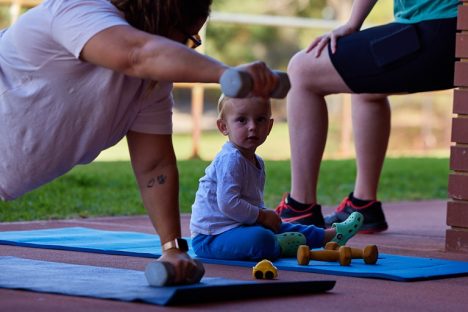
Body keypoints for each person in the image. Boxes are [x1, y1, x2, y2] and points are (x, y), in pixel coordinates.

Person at [0, 0, 281, 284]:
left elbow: (154, 167)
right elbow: (138, 53)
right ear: (164, 21)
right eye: (188, 39)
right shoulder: (77, 10)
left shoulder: (152, 85)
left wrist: (172, 249)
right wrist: (227, 75)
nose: (187, 49)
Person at [275, 0, 459, 233]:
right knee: (365, 86)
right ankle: (363, 205)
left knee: (302, 69)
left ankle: (299, 207)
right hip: (442, 31)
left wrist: (353, 23)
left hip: (439, 29)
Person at [189, 94, 363, 261]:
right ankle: (281, 246)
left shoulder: (257, 162)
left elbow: (251, 202)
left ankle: (329, 236)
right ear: (223, 127)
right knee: (261, 238)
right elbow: (228, 203)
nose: (252, 126)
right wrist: (262, 217)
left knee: (279, 225)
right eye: (242, 120)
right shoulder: (231, 159)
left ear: (269, 126)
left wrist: (264, 218)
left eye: (260, 120)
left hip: (239, 226)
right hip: (211, 237)